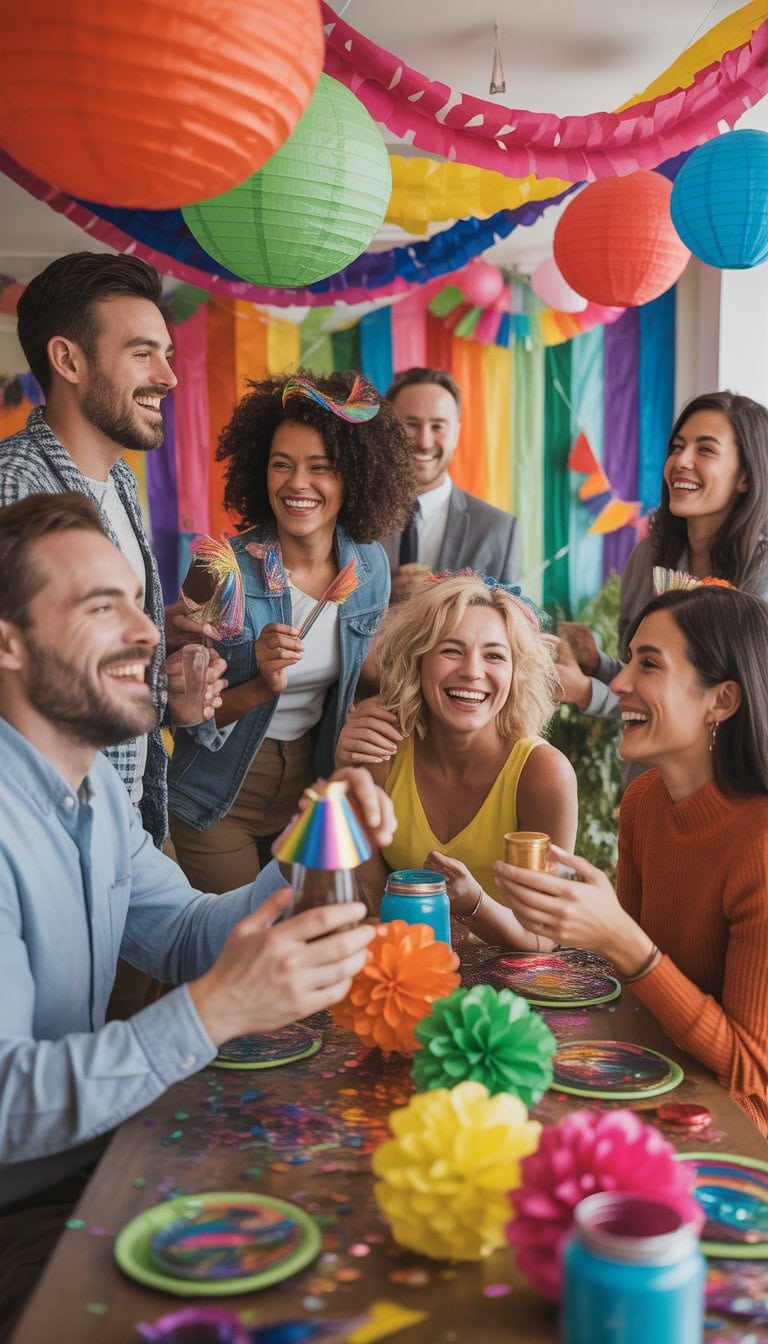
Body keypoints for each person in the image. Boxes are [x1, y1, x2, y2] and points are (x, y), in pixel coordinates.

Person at [0, 493, 388, 1333]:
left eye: (139, 605)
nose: (149, 635)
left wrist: (319, 836)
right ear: (9, 642)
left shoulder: (94, 783)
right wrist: (212, 1013)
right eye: (103, 608)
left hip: (92, 1164)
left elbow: (182, 932)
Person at [497, 583, 768, 1137]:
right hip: (654, 1071)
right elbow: (632, 979)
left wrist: (619, 938)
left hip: (734, 1129)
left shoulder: (760, 847)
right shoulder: (644, 802)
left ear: (722, 700)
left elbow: (749, 1072)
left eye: (649, 664)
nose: (617, 683)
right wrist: (571, 927)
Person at [0, 250, 222, 846]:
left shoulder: (117, 478)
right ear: (67, 360)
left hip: (129, 810)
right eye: (142, 352)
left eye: (167, 354)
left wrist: (157, 650)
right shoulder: (13, 487)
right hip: (50, 827)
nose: (169, 377)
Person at [167, 370, 415, 893]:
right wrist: (260, 683)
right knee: (237, 946)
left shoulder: (368, 565)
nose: (296, 483)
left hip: (312, 783)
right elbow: (184, 715)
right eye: (282, 465)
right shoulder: (217, 570)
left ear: (354, 476)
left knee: (303, 941)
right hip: (219, 795)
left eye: (319, 468)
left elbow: (360, 679)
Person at [335, 574, 578, 945]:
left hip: (514, 981)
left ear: (516, 673)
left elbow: (546, 937)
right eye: (451, 649)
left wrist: (475, 906)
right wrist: (344, 772)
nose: (472, 671)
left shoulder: (543, 773)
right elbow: (369, 899)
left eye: (494, 655)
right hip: (403, 966)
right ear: (417, 660)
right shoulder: (380, 749)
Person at [555, 390, 768, 717]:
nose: (681, 461)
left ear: (745, 476)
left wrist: (587, 693)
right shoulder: (647, 557)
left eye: (706, 450)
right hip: (648, 768)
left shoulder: (762, 578)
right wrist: (598, 666)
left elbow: (736, 711)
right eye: (677, 447)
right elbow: (643, 687)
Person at [379, 368, 520, 602]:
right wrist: (384, 596)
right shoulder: (350, 516)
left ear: (456, 433)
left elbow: (509, 626)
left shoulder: (500, 530)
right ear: (388, 430)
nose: (424, 442)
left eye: (438, 426)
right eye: (411, 424)